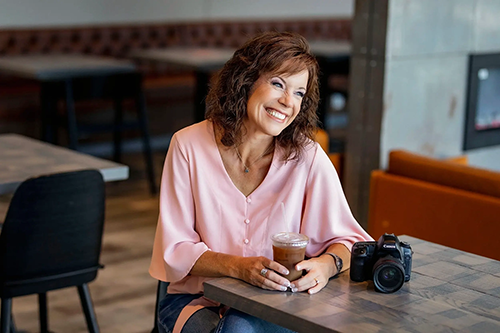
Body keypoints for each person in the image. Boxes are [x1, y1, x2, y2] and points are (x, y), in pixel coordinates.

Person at [150, 31, 372, 333]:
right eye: (278, 84)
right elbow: (173, 248)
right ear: (246, 81)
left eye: (298, 93)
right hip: (197, 298)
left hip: (276, 302)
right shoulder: (188, 145)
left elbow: (353, 242)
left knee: (239, 326)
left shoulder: (307, 157)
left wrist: (326, 265)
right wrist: (239, 267)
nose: (287, 102)